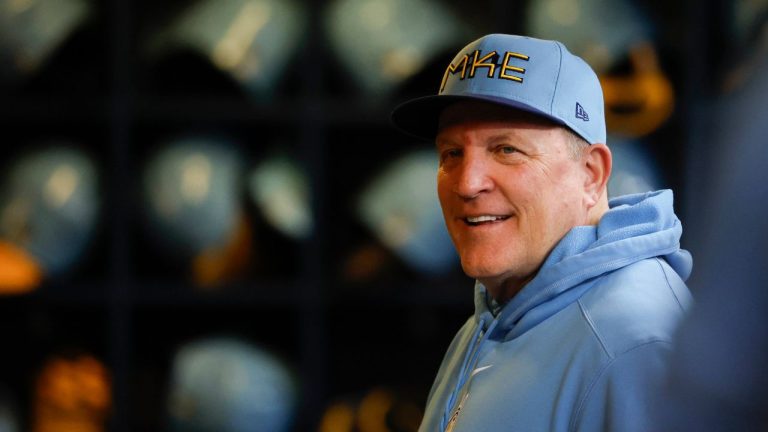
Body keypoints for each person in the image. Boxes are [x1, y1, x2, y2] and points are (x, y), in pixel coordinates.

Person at [390, 33, 693, 431]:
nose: (467, 184)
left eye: (506, 149)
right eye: (452, 153)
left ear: (591, 174)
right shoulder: (500, 312)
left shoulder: (634, 343)